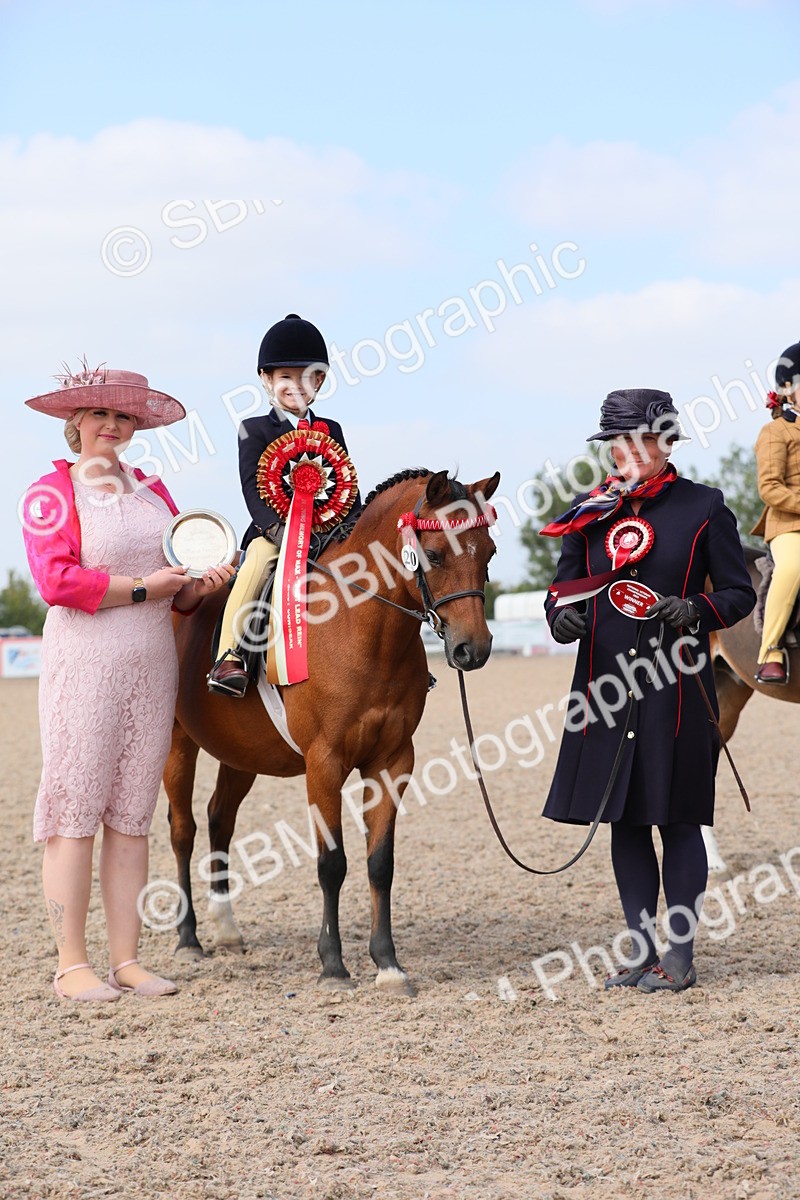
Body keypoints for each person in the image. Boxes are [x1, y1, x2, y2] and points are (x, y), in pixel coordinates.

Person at [22, 364, 235, 1002]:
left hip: (150, 664)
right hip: (84, 662)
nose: (113, 426)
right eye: (101, 415)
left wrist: (198, 587)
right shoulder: (51, 493)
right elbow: (56, 582)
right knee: (75, 808)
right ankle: (70, 963)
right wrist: (146, 587)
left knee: (132, 813)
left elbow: (180, 588)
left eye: (125, 417)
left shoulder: (155, 494)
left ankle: (127, 959)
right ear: (76, 425)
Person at [540, 389, 755, 992]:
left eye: (641, 440)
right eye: (618, 441)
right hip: (604, 692)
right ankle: (640, 951)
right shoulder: (587, 511)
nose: (628, 451)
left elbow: (738, 595)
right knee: (626, 823)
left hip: (676, 692)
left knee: (680, 822)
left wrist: (694, 609)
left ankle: (680, 956)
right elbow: (560, 592)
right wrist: (562, 618)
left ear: (666, 444)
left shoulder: (706, 507)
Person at [208, 314, 360, 697]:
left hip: (330, 534)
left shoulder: (333, 430)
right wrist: (281, 531)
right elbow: (251, 489)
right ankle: (230, 655)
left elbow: (347, 484)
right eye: (285, 378)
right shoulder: (253, 429)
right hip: (273, 533)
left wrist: (358, 526)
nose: (295, 386)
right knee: (257, 562)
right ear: (267, 381)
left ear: (319, 382)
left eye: (307, 377)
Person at [752, 339, 800, 684]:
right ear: (788, 389)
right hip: (788, 526)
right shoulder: (775, 432)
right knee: (794, 567)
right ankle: (770, 650)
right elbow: (769, 487)